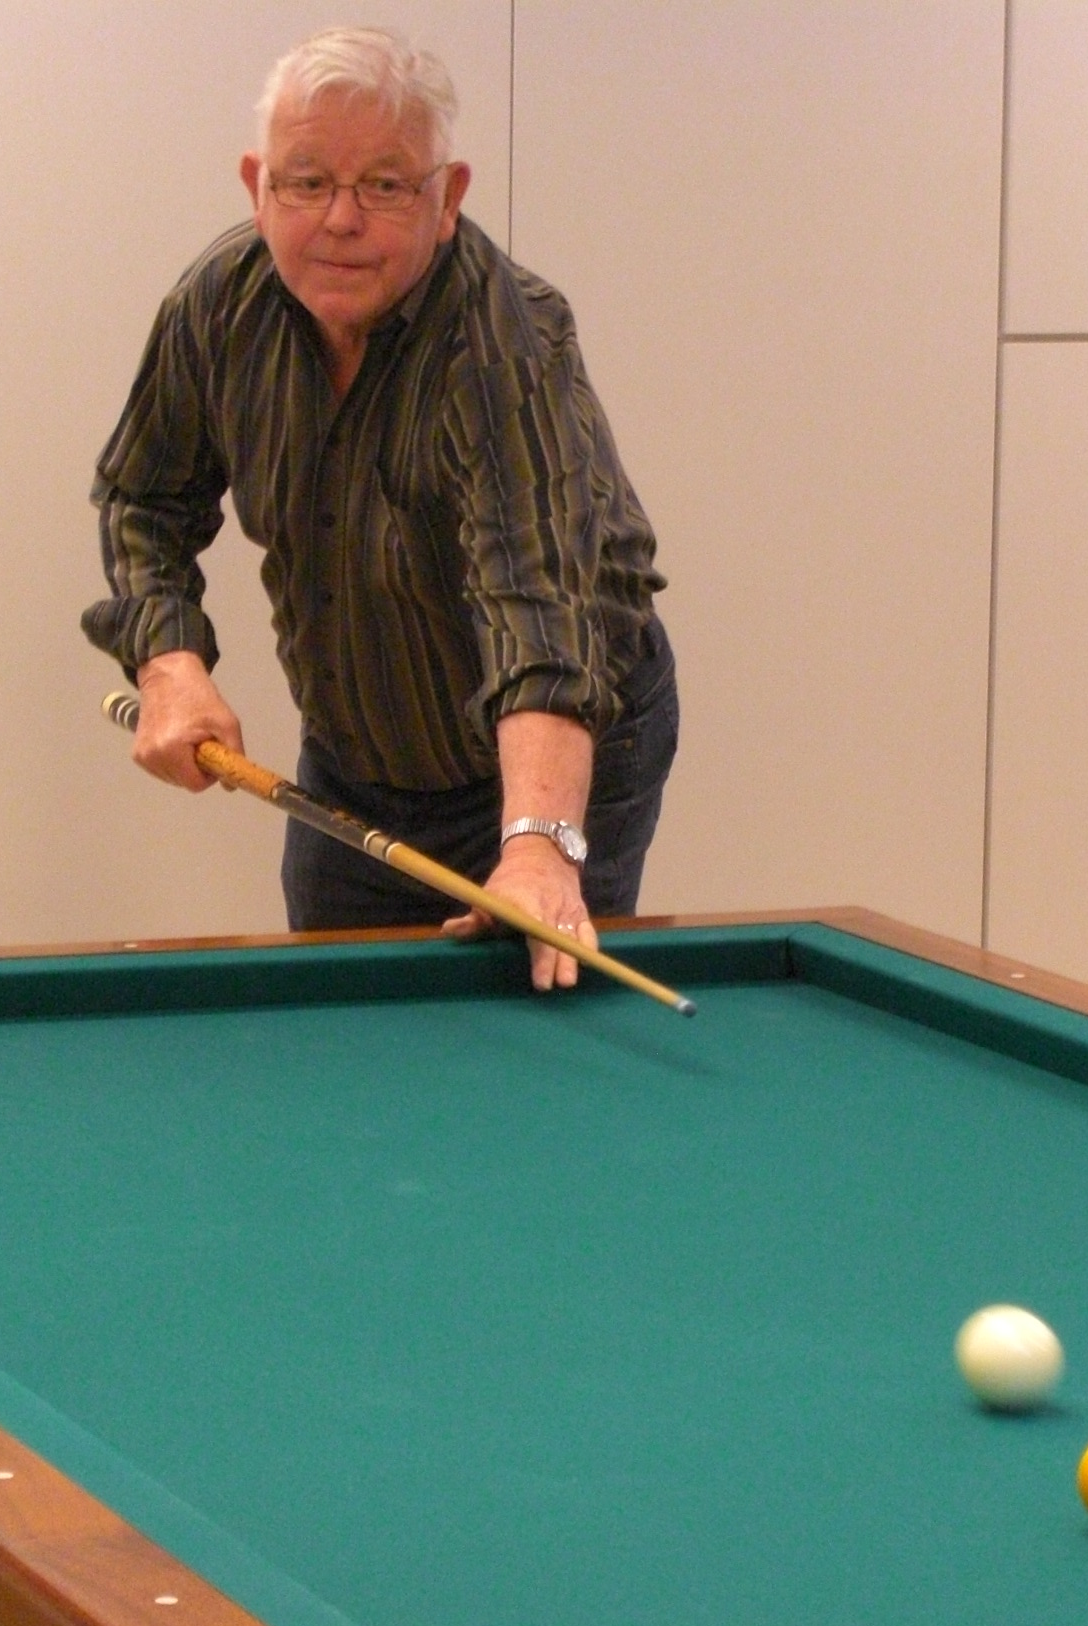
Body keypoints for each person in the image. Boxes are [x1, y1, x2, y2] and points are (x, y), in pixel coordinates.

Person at [82, 25, 677, 992]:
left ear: (449, 199)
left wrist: (537, 844)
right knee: (340, 1027)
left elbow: (540, 609)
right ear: (257, 187)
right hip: (355, 755)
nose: (340, 219)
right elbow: (144, 494)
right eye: (307, 181)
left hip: (556, 745)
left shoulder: (505, 345)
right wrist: (169, 662)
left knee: (525, 1028)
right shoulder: (219, 304)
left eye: (386, 185)